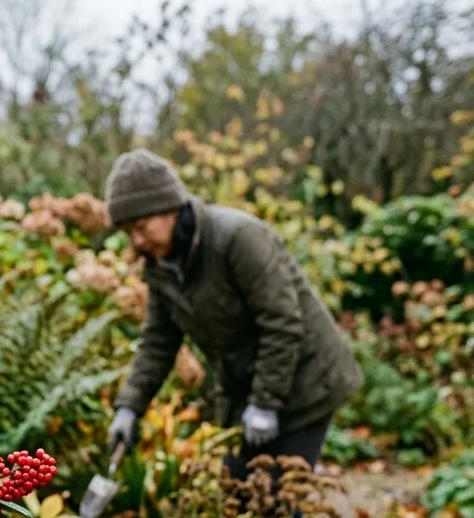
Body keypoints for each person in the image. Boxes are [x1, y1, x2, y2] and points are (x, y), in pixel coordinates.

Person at [103, 149, 363, 478]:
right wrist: (130, 407)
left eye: (141, 226)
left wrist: (266, 403)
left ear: (169, 208)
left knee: (283, 501)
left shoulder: (237, 238)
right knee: (236, 493)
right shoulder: (162, 267)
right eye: (128, 233)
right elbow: (158, 342)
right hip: (246, 390)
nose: (137, 241)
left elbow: (282, 322)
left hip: (305, 381)